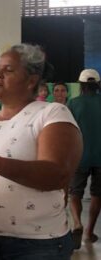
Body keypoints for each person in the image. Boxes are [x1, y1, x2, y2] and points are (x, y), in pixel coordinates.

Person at [0, 43, 82, 259]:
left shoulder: (51, 114)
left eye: (8, 70)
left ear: (31, 80)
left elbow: (57, 174)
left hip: (36, 245)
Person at [68, 68, 101, 249]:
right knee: (97, 194)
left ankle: (77, 223)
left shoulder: (73, 103)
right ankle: (89, 232)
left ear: (80, 85)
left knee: (75, 192)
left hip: (79, 155)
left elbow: (68, 131)